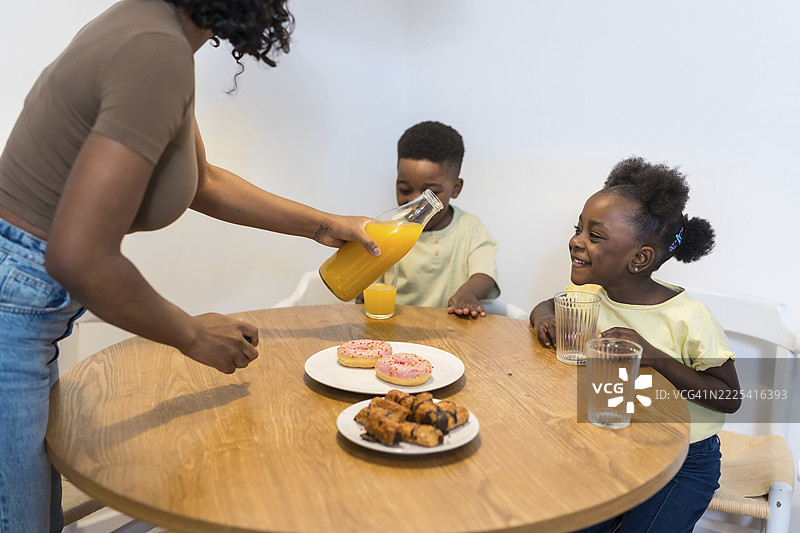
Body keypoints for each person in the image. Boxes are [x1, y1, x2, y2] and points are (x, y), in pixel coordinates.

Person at [0, 1, 380, 531]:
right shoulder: (154, 49)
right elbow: (79, 254)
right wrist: (192, 335)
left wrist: (323, 224)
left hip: (26, 304)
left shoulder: (157, 32)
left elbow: (203, 181)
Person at [529, 156, 741, 532]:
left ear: (639, 258)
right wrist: (545, 318)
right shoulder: (592, 294)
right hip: (615, 444)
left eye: (594, 236)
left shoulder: (688, 318)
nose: (576, 241)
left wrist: (658, 358)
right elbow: (548, 305)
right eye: (579, 229)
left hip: (683, 461)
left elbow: (729, 396)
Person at [372, 120, 501, 318]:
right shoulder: (388, 230)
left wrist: (468, 293)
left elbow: (485, 274)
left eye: (431, 194)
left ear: (456, 189)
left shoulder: (470, 228)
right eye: (404, 190)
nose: (416, 202)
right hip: (394, 329)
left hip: (450, 331)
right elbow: (371, 278)